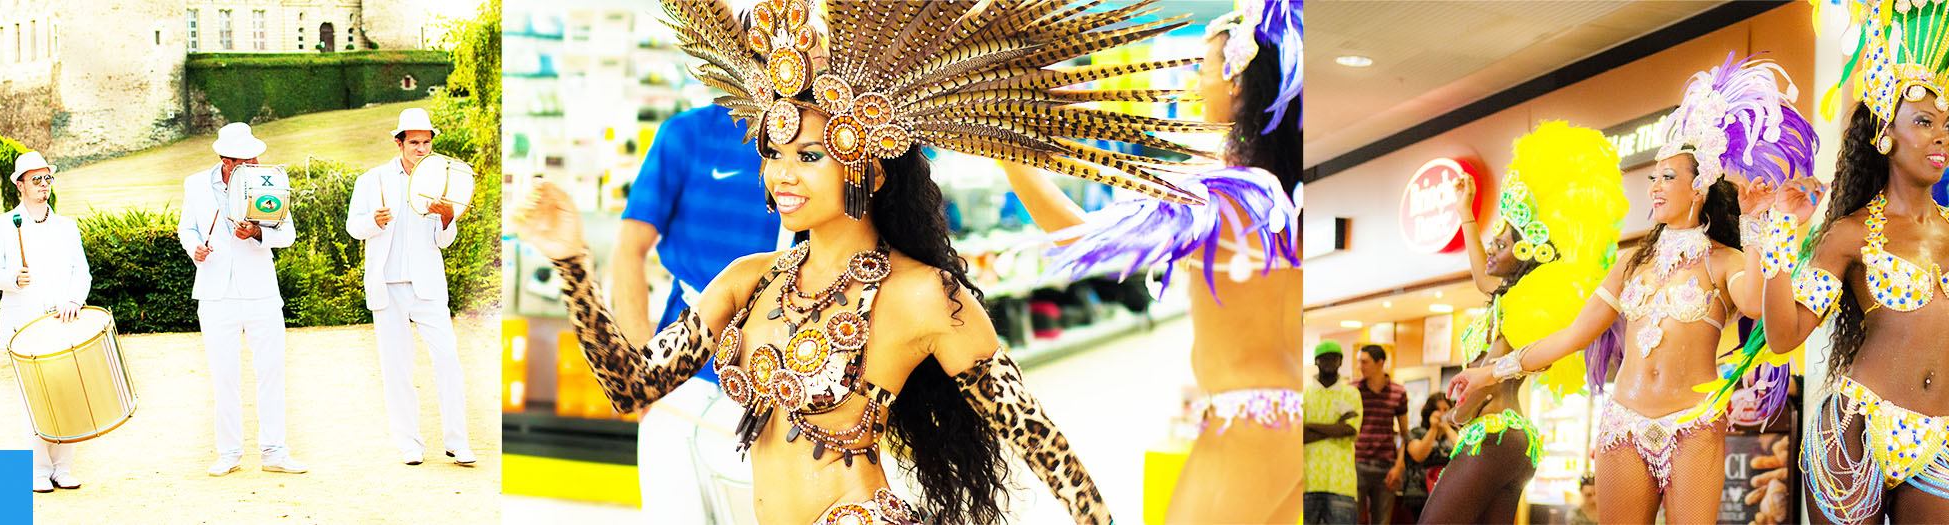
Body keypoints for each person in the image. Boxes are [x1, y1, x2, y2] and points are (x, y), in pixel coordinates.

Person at [515, 1, 1221, 522]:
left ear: (870, 171)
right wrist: (574, 263)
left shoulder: (922, 295)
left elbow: (1037, 438)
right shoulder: (749, 280)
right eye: (775, 153)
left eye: (810, 155)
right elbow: (633, 386)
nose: (781, 175)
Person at [1459, 54, 1819, 522]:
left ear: (1699, 188)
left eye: (1668, 177)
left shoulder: (1723, 261)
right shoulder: (1632, 263)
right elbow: (1572, 336)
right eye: (1653, 177)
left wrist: (1754, 223)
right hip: (1623, 424)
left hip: (1692, 426)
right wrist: (1490, 374)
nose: (1654, 187)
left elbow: (1755, 304)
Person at [993, 1, 1305, 521]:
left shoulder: (1220, 196)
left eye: (1200, 69)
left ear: (1234, 79)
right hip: (1283, 421)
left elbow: (1078, 235)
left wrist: (1007, 149)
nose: (1191, 84)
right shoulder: (1278, 195)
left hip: (1247, 425)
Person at [1761, 2, 1949, 522]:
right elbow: (1784, 335)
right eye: (1923, 122)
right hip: (1856, 430)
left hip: (1940, 438)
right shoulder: (1850, 234)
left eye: (1948, 125)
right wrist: (1774, 239)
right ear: (1887, 135)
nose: (1941, 137)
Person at [1427, 122, 1626, 525]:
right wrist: (1465, 212)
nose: (1490, 251)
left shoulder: (1519, 306)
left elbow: (1486, 384)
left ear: (1524, 254)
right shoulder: (1516, 299)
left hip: (1491, 432)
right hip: (1519, 440)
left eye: (1500, 245)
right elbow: (1484, 276)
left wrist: (1456, 417)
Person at [611, 101, 782, 525]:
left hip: (776, 387)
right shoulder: (686, 134)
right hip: (680, 378)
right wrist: (642, 372)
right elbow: (627, 251)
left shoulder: (827, 141)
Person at [346, 108, 479, 466]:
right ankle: (409, 444)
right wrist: (373, 222)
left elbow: (444, 239)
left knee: (448, 359)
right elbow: (353, 227)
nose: (421, 148)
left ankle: (457, 441)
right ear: (399, 142)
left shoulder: (442, 179)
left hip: (428, 286)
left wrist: (448, 218)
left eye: (426, 142)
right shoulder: (371, 180)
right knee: (397, 367)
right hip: (387, 285)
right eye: (414, 142)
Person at [179, 122, 308, 476]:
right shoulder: (194, 184)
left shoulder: (269, 182)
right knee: (224, 376)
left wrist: (257, 232)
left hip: (261, 292)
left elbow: (288, 233)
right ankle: (229, 452)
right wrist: (195, 248)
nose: (253, 165)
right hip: (215, 293)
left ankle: (275, 451)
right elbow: (186, 227)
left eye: (255, 158)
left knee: (271, 372)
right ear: (225, 160)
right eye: (244, 160)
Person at [0, 151, 93, 492]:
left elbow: (80, 271)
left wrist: (75, 300)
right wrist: (13, 279)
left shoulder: (67, 227)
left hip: (64, 322)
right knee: (34, 400)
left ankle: (63, 466)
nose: (44, 186)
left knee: (68, 396)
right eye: (36, 180)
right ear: (20, 185)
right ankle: (38, 470)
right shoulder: (2, 225)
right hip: (23, 325)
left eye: (47, 179)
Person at [1298, 342, 1362, 525]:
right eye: (1324, 358)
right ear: (1316, 361)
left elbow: (1350, 429)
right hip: (1306, 481)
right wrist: (1335, 427)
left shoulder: (1351, 394)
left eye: (1334, 357)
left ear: (1341, 361)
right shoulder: (1303, 395)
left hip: (1342, 483)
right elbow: (1298, 435)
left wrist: (1310, 426)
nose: (1329, 362)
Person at [1352, 345, 1408, 524]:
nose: (1360, 366)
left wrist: (1399, 466)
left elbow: (1405, 434)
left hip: (1386, 466)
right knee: (1353, 519)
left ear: (1380, 362)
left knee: (1382, 521)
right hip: (1357, 463)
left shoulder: (1398, 392)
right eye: (1359, 361)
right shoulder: (1353, 390)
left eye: (1364, 362)